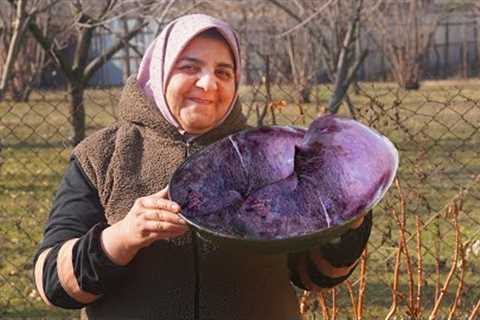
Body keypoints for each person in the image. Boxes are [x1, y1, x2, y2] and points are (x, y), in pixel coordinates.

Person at [33, 14, 372, 320]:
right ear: (159, 71)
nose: (209, 84)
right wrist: (122, 238)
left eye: (223, 72)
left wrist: (345, 224)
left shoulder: (270, 156)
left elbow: (314, 275)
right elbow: (53, 284)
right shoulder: (103, 156)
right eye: (190, 67)